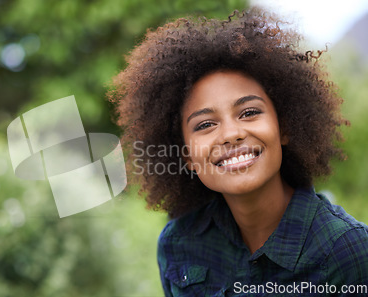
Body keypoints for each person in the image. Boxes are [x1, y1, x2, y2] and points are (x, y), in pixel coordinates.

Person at [108, 9, 368, 296]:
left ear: (285, 127)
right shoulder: (179, 244)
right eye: (205, 124)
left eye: (249, 112)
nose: (232, 133)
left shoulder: (347, 251)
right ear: (187, 156)